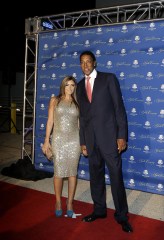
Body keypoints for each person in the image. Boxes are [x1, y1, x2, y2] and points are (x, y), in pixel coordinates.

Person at [76, 51, 133, 232]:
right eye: (82, 62)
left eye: (88, 62)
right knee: (96, 178)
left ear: (95, 63)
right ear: (80, 65)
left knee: (116, 178)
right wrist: (83, 141)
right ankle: (99, 210)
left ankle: (122, 216)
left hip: (110, 139)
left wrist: (121, 135)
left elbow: (119, 109)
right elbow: (83, 117)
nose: (85, 65)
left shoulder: (108, 79)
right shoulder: (78, 86)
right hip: (91, 141)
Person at [42, 76, 81, 218]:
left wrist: (83, 143)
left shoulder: (77, 103)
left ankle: (69, 202)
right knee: (58, 172)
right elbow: (50, 121)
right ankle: (58, 202)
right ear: (62, 86)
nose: (70, 88)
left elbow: (79, 125)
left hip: (74, 140)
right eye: (67, 85)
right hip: (58, 140)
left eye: (72, 85)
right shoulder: (55, 100)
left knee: (72, 173)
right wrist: (47, 141)